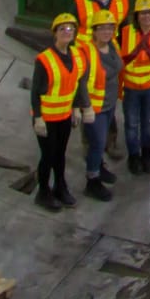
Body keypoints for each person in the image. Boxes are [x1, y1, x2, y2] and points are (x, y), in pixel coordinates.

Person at [30, 12, 90, 211]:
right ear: (55, 33)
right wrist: (38, 118)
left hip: (64, 115)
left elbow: (73, 85)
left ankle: (60, 187)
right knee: (47, 155)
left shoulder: (77, 57)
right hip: (46, 117)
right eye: (63, 29)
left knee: (60, 154)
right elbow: (35, 92)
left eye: (71, 29)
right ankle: (43, 192)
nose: (67, 32)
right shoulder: (44, 59)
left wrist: (76, 109)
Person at [118, 0, 150, 175]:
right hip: (130, 88)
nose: (147, 17)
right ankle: (134, 157)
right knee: (131, 124)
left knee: (147, 122)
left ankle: (147, 155)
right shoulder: (125, 33)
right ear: (137, 16)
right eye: (143, 13)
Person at [78, 10, 123, 199]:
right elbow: (81, 81)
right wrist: (85, 107)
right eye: (102, 28)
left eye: (110, 28)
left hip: (109, 104)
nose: (106, 31)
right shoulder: (87, 52)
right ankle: (92, 181)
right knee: (96, 143)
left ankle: (99, 167)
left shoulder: (112, 46)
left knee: (102, 142)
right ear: (94, 31)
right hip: (94, 108)